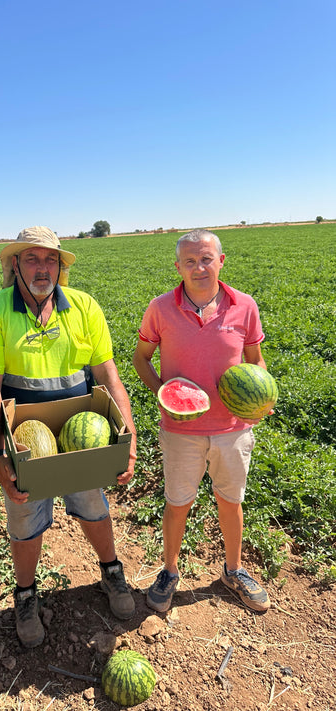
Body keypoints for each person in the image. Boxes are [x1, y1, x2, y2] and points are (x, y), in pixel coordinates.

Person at [0, 226, 138, 648]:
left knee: (93, 506)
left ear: (60, 267)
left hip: (82, 438)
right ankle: (25, 595)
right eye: (32, 259)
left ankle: (112, 571)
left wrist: (127, 436)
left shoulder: (84, 307)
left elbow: (108, 375)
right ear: (14, 266)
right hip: (25, 441)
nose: (42, 268)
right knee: (24, 519)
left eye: (50, 260)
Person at [132, 229, 271, 614]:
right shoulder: (159, 308)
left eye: (206, 258)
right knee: (178, 504)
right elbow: (141, 358)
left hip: (233, 429)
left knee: (231, 502)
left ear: (221, 261)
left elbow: (255, 360)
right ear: (178, 266)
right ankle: (169, 571)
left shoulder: (244, 306)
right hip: (180, 431)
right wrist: (164, 393)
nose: (199, 267)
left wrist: (261, 397)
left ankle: (234, 570)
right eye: (190, 261)